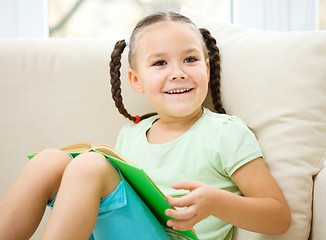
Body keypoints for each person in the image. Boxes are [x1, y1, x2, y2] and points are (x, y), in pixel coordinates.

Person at [0, 12, 291, 240]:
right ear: (136, 81)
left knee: (91, 165)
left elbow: (278, 217)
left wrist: (217, 203)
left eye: (190, 59)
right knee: (49, 160)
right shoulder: (132, 134)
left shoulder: (224, 133)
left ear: (207, 67)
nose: (177, 73)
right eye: (160, 63)